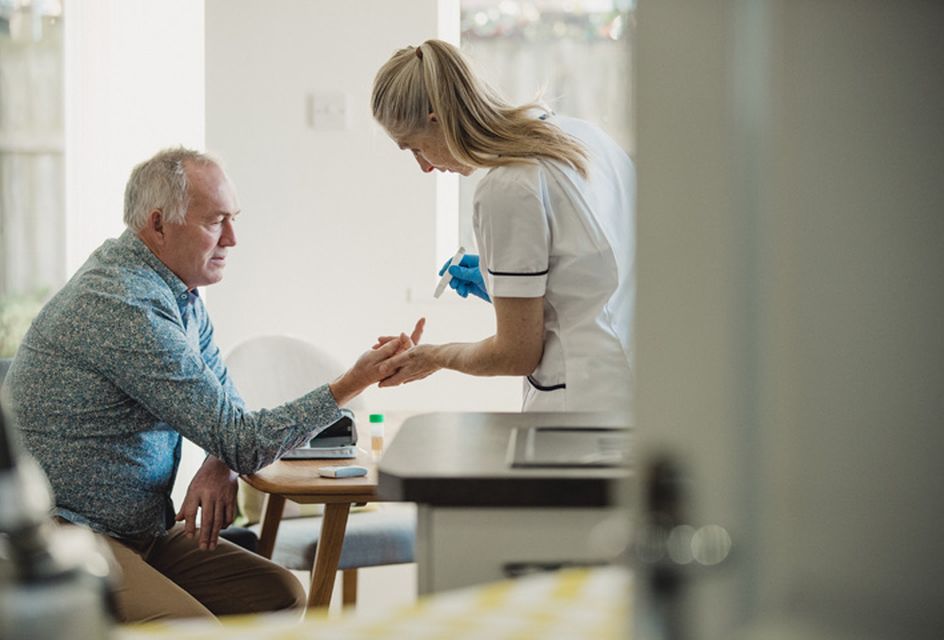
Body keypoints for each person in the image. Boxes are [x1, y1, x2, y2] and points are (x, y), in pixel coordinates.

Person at [1, 147, 411, 622]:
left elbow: (228, 417)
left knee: (279, 597)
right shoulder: (125, 306)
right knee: (194, 630)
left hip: (142, 529)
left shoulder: (180, 294)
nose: (233, 239)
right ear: (158, 225)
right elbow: (242, 437)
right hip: (71, 532)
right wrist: (353, 381)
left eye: (233, 219)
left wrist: (221, 460)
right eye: (216, 222)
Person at [370, 39, 635, 412]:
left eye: (415, 147)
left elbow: (515, 355)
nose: (425, 167)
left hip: (582, 410)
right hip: (638, 387)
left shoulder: (506, 186)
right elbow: (596, 271)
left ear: (437, 119)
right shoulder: (584, 138)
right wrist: (505, 284)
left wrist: (432, 357)